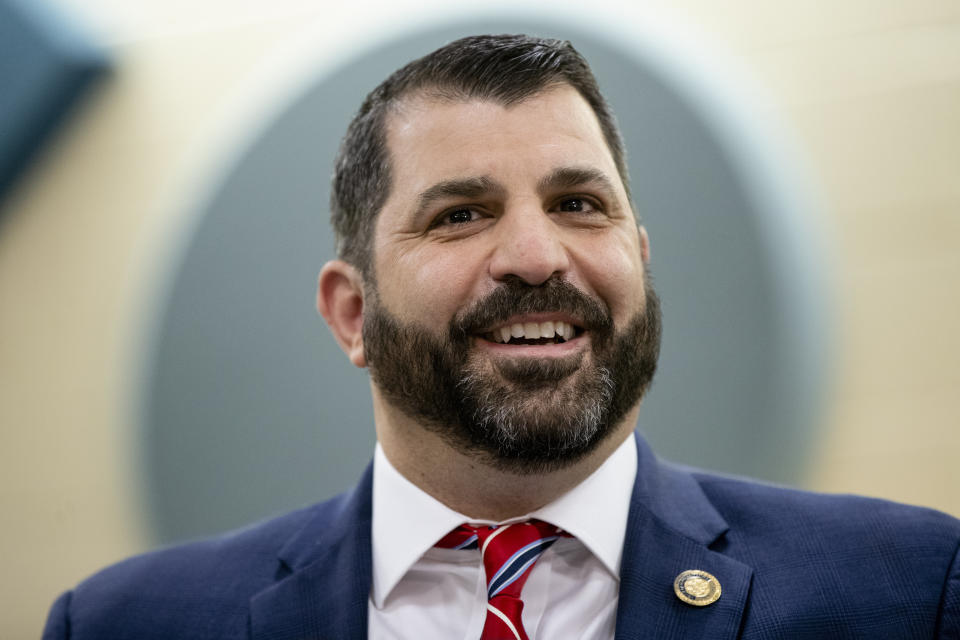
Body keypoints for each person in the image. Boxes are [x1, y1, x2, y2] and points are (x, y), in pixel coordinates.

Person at [44, 34, 958, 640]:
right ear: (351, 314)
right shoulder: (129, 624)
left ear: (639, 259)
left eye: (577, 205)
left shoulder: (910, 594)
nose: (533, 255)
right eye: (460, 215)